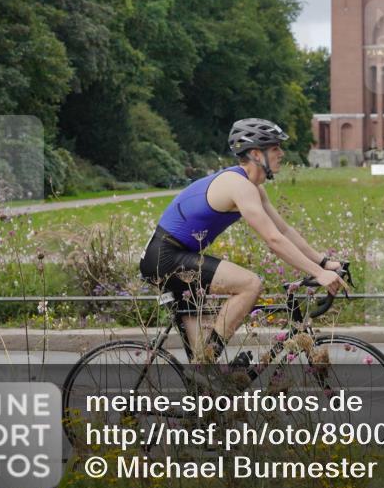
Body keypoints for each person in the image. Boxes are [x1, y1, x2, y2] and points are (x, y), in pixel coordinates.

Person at [139, 118, 347, 364]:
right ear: (257, 154)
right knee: (250, 284)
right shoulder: (239, 186)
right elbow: (272, 240)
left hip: (180, 257)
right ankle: (206, 361)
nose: (281, 153)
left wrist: (323, 262)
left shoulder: (254, 188)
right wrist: (317, 273)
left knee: (203, 376)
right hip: (165, 257)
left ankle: (205, 374)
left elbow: (284, 231)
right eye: (275, 148)